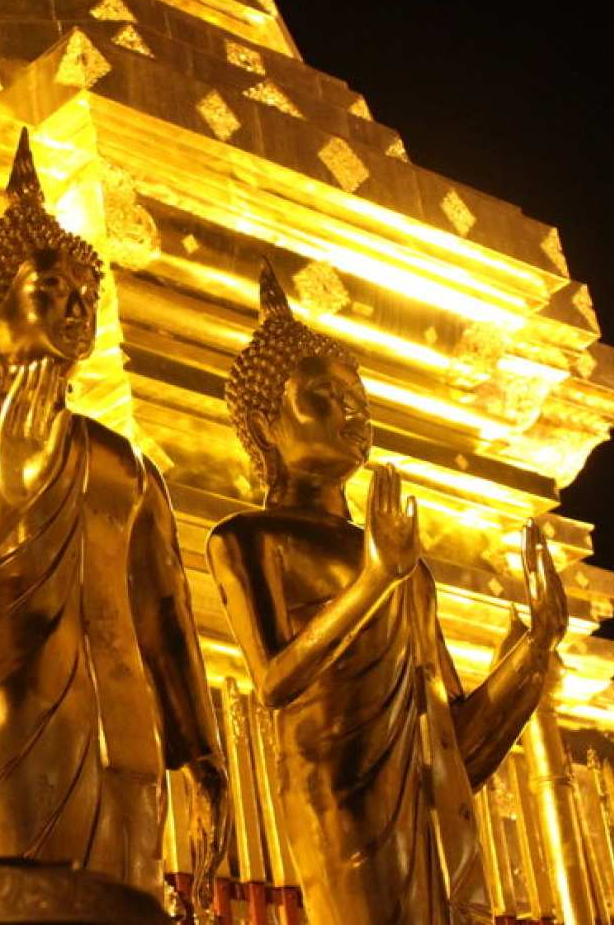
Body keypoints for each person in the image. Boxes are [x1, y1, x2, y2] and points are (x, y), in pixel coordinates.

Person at [0, 131, 229, 906]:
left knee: (127, 900)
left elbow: (163, 613)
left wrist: (200, 749)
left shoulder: (126, 463)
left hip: (126, 720)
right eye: (48, 290)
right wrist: (4, 501)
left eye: (84, 297)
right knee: (22, 901)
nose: (73, 309)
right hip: (5, 702)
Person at [206, 262, 568, 923]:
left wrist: (536, 651)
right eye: (322, 396)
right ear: (264, 425)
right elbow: (275, 680)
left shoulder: (405, 567)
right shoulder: (250, 538)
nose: (351, 412)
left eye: (358, 399)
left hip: (440, 818)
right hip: (345, 810)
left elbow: (457, 742)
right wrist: (374, 578)